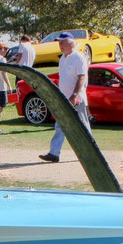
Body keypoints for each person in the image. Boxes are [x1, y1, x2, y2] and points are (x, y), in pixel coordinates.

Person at [38, 33, 90, 163]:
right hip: (64, 99)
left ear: (71, 43)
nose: (60, 45)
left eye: (63, 42)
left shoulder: (79, 57)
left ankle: (92, 153)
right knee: (60, 125)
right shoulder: (62, 59)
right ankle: (54, 153)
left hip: (76, 99)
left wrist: (74, 95)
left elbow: (81, 78)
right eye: (59, 43)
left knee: (83, 126)